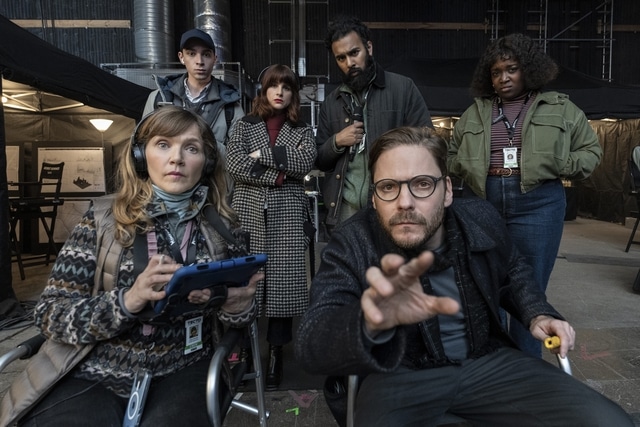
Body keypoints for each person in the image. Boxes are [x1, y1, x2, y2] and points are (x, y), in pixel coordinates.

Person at [295, 126, 632, 427]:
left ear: (448, 191)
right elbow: (312, 343)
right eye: (388, 187)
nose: (405, 202)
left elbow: (512, 270)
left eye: (422, 184)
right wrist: (367, 321)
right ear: (374, 197)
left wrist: (537, 311)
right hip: (396, 374)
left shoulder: (480, 219)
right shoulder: (352, 242)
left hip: (485, 362)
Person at [0, 106, 261, 427]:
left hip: (184, 367)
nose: (176, 158)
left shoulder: (223, 229)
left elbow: (241, 321)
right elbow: (50, 315)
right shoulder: (102, 220)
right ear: (140, 156)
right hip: (94, 367)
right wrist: (128, 301)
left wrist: (237, 305)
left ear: (206, 162)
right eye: (163, 144)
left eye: (190, 148)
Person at [448, 33, 602, 357]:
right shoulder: (475, 112)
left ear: (528, 70)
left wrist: (563, 164)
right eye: (496, 72)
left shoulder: (560, 108)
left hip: (538, 203)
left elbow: (591, 151)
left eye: (512, 69)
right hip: (483, 201)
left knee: (529, 294)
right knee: (486, 287)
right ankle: (493, 364)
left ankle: (527, 372)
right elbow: (449, 153)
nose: (503, 78)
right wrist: (463, 164)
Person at [226, 64, 316, 390]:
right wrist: (279, 173)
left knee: (282, 291)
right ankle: (247, 353)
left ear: (293, 94)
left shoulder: (302, 129)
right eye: (273, 86)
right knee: (246, 286)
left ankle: (276, 353)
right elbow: (235, 164)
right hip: (248, 215)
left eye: (286, 87)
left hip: (289, 218)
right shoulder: (244, 124)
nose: (279, 92)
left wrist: (264, 153)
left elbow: (306, 161)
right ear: (263, 91)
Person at [315, 15, 433, 232]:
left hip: (392, 202)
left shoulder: (403, 88)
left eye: (354, 53)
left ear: (368, 47)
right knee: (351, 266)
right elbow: (319, 160)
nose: (349, 63)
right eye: (341, 58)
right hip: (345, 208)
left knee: (390, 265)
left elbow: (428, 142)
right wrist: (337, 142)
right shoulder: (331, 103)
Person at [142, 28, 244, 159]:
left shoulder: (231, 106)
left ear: (215, 59)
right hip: (170, 177)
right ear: (181, 57)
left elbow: (239, 158)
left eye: (206, 54)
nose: (199, 61)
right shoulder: (158, 98)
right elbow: (144, 144)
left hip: (213, 178)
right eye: (191, 54)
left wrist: (200, 143)